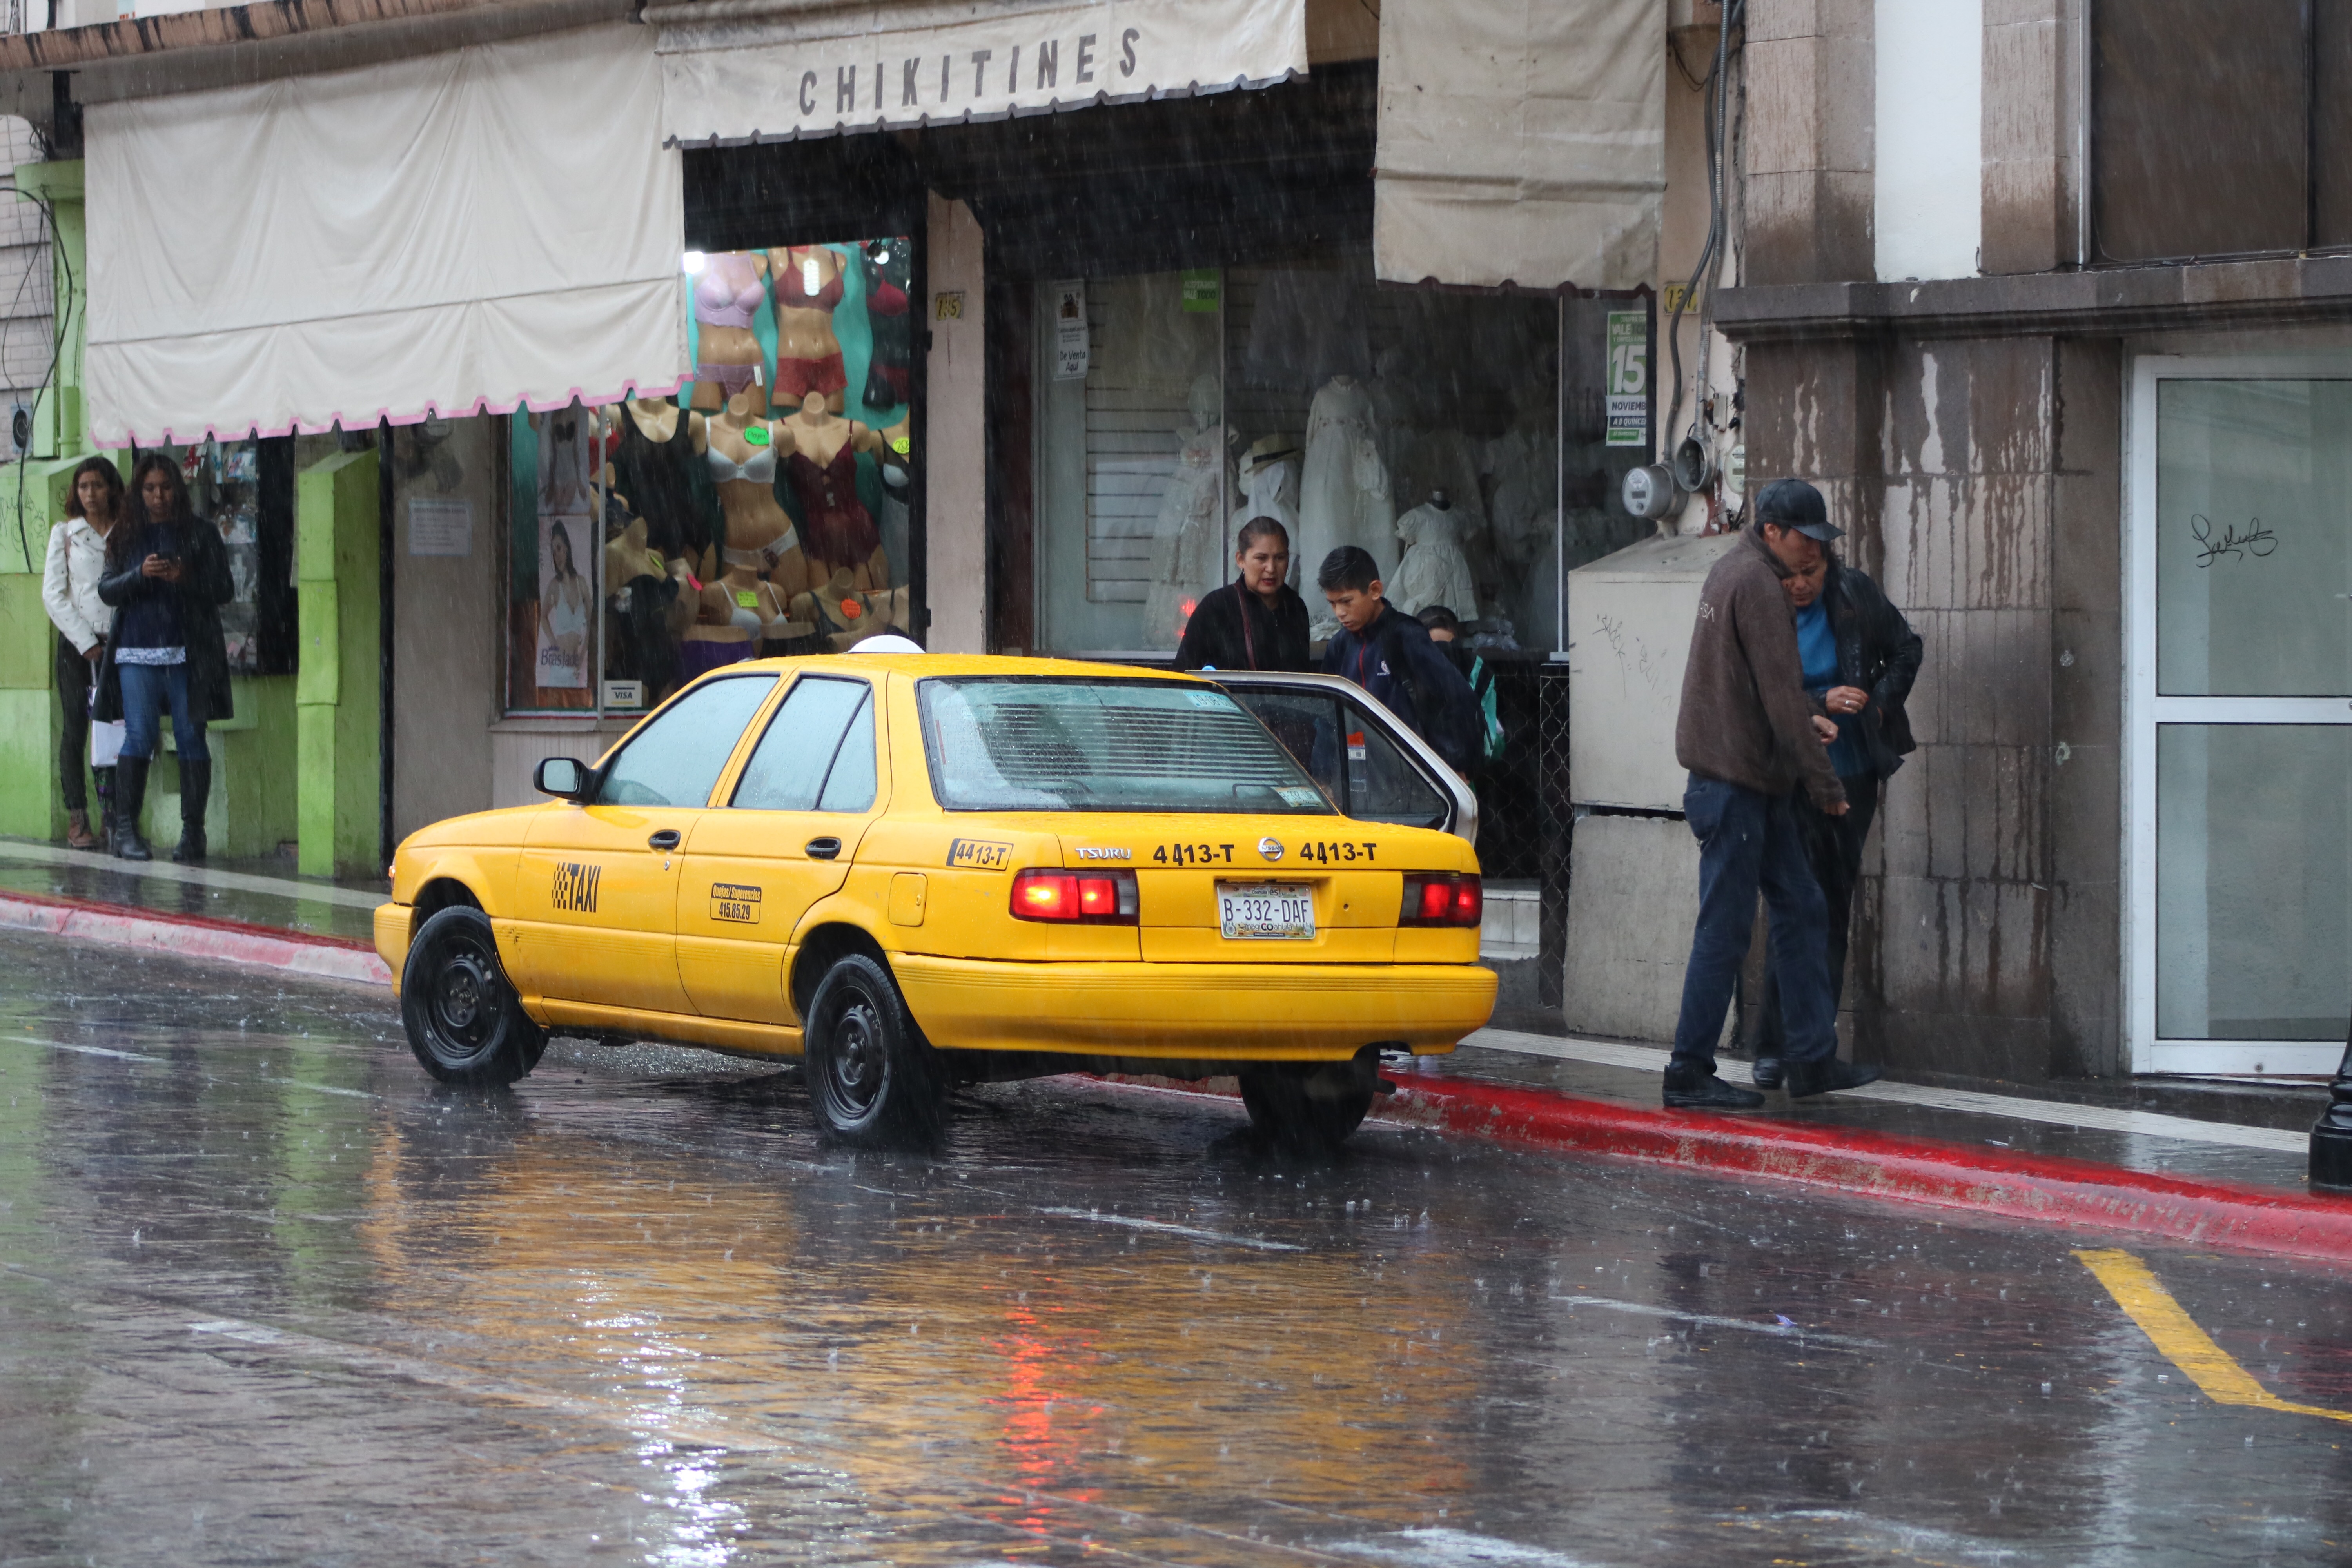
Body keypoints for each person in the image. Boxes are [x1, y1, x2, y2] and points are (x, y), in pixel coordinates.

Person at [1664, 478, 1883, 1109]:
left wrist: (1796, 730)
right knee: (1727, 929)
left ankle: (1809, 1059)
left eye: (1820, 539)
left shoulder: (1731, 569)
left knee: (1803, 905)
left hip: (1750, 780)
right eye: (1805, 538)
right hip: (1736, 786)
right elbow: (1784, 698)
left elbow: (1751, 691)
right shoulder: (1758, 585)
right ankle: (1688, 1070)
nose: (1814, 551)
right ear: (1771, 532)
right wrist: (1827, 784)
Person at [1747, 537, 1922, 1088]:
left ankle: (1813, 1051)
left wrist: (1876, 697)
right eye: (1792, 574)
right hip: (1792, 774)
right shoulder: (1762, 605)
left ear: (1829, 565)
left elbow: (1906, 648)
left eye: (1812, 572)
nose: (1802, 584)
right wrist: (1820, 705)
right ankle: (1775, 1047)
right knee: (1796, 906)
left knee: (1833, 909)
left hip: (1854, 773)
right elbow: (1756, 690)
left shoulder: (1854, 594)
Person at [94, 453, 234, 863]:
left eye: (166, 487)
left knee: (192, 735)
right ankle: (126, 831)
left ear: (178, 488)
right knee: (138, 734)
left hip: (189, 649)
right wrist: (141, 575)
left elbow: (224, 588)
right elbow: (106, 590)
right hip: (137, 649)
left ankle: (194, 834)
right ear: (139, 492)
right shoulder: (125, 535)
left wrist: (186, 577)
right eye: (150, 489)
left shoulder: (201, 533)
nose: (159, 496)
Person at [1316, 545, 1480, 774]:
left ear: (1374, 590)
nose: (1339, 613)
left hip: (1410, 773)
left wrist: (1453, 766)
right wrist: (1323, 774)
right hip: (1356, 776)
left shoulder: (1406, 637)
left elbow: (1457, 697)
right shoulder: (1339, 646)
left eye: (1346, 601)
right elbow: (1327, 715)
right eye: (1333, 604)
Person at [42, 456, 125, 851]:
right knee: (77, 727)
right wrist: (84, 640)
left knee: (117, 728)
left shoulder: (126, 531)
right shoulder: (66, 535)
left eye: (98, 486)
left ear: (111, 488)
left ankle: (116, 816)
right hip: (78, 646)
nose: (91, 494)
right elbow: (54, 596)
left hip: (120, 641)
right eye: (84, 487)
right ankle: (78, 815)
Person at [1174, 516, 1311, 672]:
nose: (1271, 568)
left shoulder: (1295, 607)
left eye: (1280, 558)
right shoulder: (1216, 607)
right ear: (1240, 559)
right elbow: (1184, 673)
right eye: (1261, 558)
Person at [1415, 604, 1508, 767]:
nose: (1441, 656)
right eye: (1432, 648)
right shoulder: (1402, 671)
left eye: (1448, 648)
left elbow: (1493, 745)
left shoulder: (1477, 674)